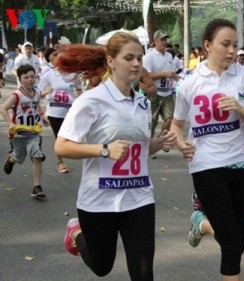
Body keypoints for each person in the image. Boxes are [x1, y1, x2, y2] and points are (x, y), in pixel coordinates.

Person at [53, 32, 176, 281]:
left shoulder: (142, 103)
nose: (136, 64)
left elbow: (138, 150)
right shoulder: (91, 101)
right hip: (99, 200)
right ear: (111, 61)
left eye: (140, 58)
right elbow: (62, 146)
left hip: (138, 197)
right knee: (102, 267)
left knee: (143, 274)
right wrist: (104, 150)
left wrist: (158, 143)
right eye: (129, 58)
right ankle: (76, 231)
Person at [170, 18, 244, 281]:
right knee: (232, 246)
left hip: (240, 161)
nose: (232, 51)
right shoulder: (190, 82)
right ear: (208, 45)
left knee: (238, 241)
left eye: (235, 45)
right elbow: (177, 125)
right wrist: (180, 143)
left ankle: (201, 222)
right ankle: (204, 222)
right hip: (205, 163)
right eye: (226, 44)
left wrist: (240, 109)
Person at [1, 64, 49, 199]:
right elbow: (3, 108)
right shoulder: (17, 95)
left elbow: (37, 106)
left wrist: (43, 117)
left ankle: (37, 187)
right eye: (26, 77)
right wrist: (10, 123)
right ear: (20, 79)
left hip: (34, 132)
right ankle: (11, 159)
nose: (30, 79)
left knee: (37, 156)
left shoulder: (36, 93)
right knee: (19, 157)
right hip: (18, 134)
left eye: (32, 77)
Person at [38, 54, 83, 173]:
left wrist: (84, 99)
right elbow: (39, 92)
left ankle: (67, 153)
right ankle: (60, 162)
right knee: (58, 137)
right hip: (54, 112)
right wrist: (45, 92)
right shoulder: (50, 74)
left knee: (70, 137)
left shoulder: (74, 75)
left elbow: (79, 90)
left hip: (70, 111)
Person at [143, 30, 180, 141]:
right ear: (155, 41)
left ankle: (161, 140)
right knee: (152, 122)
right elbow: (146, 76)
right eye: (162, 39)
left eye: (165, 39)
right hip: (154, 93)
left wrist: (174, 76)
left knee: (170, 119)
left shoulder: (169, 56)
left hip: (167, 93)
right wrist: (164, 74)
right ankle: (149, 146)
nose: (164, 42)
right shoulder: (149, 57)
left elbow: (171, 71)